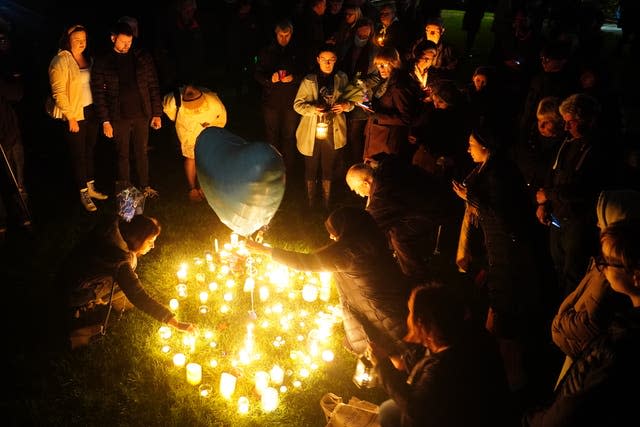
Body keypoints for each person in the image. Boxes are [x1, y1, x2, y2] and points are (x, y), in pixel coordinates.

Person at [453, 127, 549, 400]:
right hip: (497, 252)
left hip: (507, 254)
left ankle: (514, 383)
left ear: (487, 146)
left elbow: (501, 214)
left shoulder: (499, 174)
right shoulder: (488, 169)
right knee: (498, 310)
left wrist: (469, 197)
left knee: (504, 312)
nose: (468, 149)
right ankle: (504, 374)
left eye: (472, 144)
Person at [246, 206, 412, 358]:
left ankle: (399, 374)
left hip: (382, 312)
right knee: (393, 345)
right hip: (391, 302)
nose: (331, 236)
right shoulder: (369, 239)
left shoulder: (350, 252)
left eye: (333, 231)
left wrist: (265, 251)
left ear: (346, 228)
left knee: (394, 347)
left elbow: (306, 261)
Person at [523, 219, 640, 426]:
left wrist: (532, 420)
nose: (601, 267)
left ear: (635, 275)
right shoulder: (622, 324)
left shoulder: (620, 347)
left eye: (607, 261)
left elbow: (569, 413)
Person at [370, 283, 517, 427]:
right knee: (387, 410)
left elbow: (415, 410)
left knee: (389, 412)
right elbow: (410, 365)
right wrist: (386, 357)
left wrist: (383, 366)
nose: (408, 318)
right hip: (452, 410)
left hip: (466, 418)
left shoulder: (445, 367)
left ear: (422, 322)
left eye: (410, 312)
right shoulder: (453, 336)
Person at [59, 214, 195, 349]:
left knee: (129, 274)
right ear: (137, 239)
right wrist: (176, 323)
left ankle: (101, 298)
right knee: (128, 283)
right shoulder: (118, 261)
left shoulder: (113, 231)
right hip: (73, 293)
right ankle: (88, 303)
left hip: (67, 274)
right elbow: (140, 297)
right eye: (149, 241)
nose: (153, 246)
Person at [550, 189, 639, 386]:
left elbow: (590, 323)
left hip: (582, 355)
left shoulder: (611, 276)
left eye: (602, 218)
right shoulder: (607, 266)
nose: (597, 224)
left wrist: (559, 322)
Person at [536, 93, 609, 297]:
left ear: (587, 119)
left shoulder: (598, 150)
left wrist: (549, 195)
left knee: (573, 275)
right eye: (565, 122)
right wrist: (544, 205)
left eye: (571, 122)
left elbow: (583, 189)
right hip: (558, 220)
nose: (566, 127)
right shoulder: (567, 144)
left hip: (578, 223)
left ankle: (570, 317)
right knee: (559, 268)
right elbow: (553, 174)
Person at [346, 154, 460, 282]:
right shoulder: (386, 168)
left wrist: (343, 234)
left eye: (355, 189)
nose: (358, 194)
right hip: (437, 194)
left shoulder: (382, 194)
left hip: (436, 210)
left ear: (366, 183)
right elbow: (392, 158)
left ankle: (416, 278)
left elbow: (368, 224)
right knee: (393, 228)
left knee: (398, 235)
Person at [91, 22, 163, 197]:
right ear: (113, 38)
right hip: (119, 116)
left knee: (142, 151)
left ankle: (145, 186)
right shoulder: (103, 62)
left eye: (129, 42)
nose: (126, 46)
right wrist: (105, 121)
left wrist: (157, 113)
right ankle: (126, 191)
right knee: (122, 154)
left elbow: (153, 85)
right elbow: (99, 93)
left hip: (141, 113)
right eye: (123, 41)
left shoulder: (141, 58)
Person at [48, 24, 107, 212]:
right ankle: (83, 192)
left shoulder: (88, 59)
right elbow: (58, 93)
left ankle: (90, 186)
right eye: (77, 40)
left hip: (91, 112)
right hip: (75, 114)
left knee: (90, 150)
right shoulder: (60, 61)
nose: (82, 43)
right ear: (68, 41)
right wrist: (70, 117)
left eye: (84, 39)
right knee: (78, 154)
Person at [293, 44, 360, 210]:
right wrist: (313, 109)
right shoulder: (309, 80)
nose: (327, 63)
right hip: (311, 131)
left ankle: (326, 203)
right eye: (324, 59)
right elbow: (297, 105)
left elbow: (352, 102)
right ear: (318, 60)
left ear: (336, 60)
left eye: (331, 60)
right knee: (311, 165)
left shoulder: (342, 78)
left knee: (328, 166)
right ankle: (310, 203)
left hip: (333, 130)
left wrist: (345, 106)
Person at [254, 19, 303, 178]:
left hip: (291, 100)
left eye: (286, 35)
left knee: (289, 135)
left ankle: (288, 168)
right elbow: (257, 73)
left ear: (291, 34)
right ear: (275, 34)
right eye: (280, 35)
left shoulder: (297, 51)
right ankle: (273, 166)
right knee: (272, 135)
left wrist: (294, 78)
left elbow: (306, 73)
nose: (283, 39)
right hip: (271, 101)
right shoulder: (267, 51)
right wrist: (269, 80)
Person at [162, 84, 227, 202]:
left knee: (206, 158)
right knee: (191, 157)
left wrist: (210, 126)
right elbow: (169, 112)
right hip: (187, 132)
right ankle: (192, 188)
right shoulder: (174, 101)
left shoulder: (213, 102)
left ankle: (204, 187)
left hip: (207, 131)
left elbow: (221, 119)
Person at [362, 47, 414, 162]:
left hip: (386, 142)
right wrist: (364, 100)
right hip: (376, 136)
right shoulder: (385, 81)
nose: (380, 69)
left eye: (384, 65)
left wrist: (377, 116)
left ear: (394, 63)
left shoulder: (399, 86)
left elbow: (406, 118)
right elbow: (378, 105)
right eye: (378, 65)